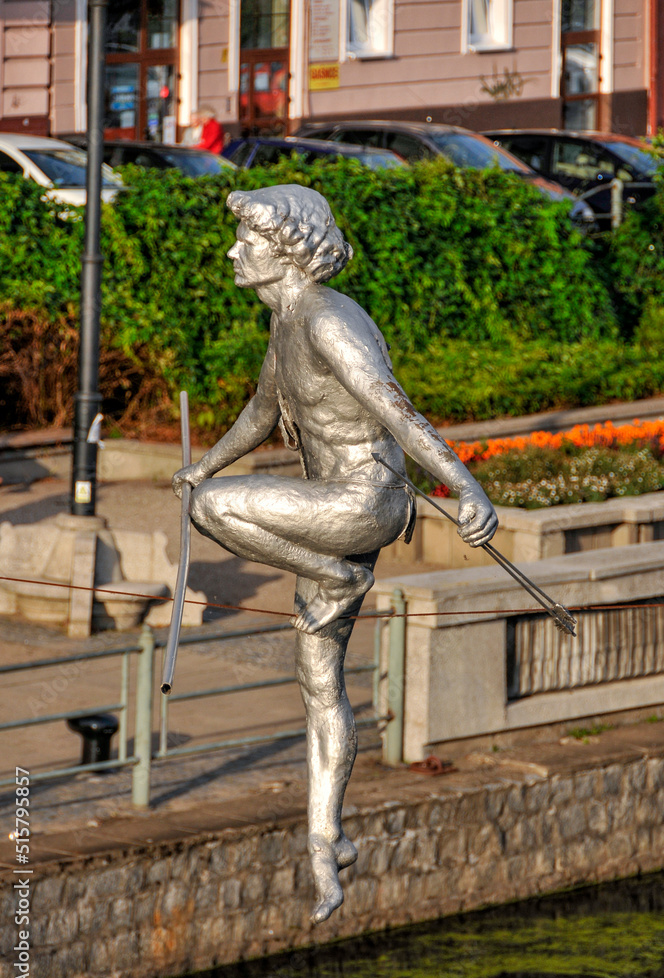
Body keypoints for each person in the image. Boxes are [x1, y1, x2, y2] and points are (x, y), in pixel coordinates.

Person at [173, 185, 498, 924]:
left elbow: (395, 407)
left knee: (213, 510)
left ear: (284, 250)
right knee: (318, 683)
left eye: (246, 243)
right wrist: (206, 461)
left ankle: (332, 571)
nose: (233, 253)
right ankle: (327, 845)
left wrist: (465, 487)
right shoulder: (286, 320)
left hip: (362, 505)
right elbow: (262, 413)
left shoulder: (327, 319)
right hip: (330, 511)